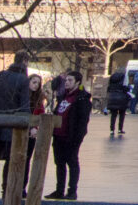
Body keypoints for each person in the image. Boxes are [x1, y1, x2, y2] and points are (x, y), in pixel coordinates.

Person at [0, 51, 31, 202]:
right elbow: (24, 106)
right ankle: (5, 190)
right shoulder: (23, 79)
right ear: (25, 62)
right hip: (13, 123)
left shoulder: (0, 75)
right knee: (10, 158)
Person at [44, 71, 91, 201]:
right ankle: (59, 190)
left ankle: (72, 191)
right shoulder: (63, 96)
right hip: (59, 136)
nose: (67, 82)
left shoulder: (82, 98)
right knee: (59, 163)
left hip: (71, 137)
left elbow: (83, 121)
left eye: (70, 80)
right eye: (66, 80)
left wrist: (77, 138)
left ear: (77, 82)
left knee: (72, 162)